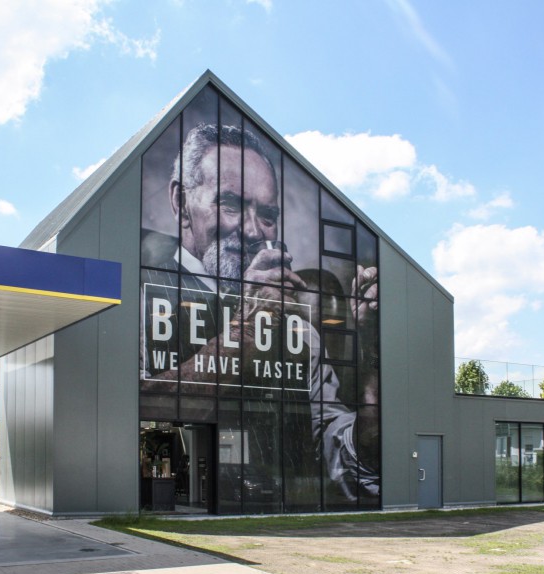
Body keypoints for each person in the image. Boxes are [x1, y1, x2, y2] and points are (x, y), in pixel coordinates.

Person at [142, 123, 379, 500]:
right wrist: (248, 328)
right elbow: (135, 404)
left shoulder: (300, 334)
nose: (253, 231)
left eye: (267, 215)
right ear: (181, 203)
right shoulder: (140, 291)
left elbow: (346, 463)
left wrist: (371, 355)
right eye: (231, 204)